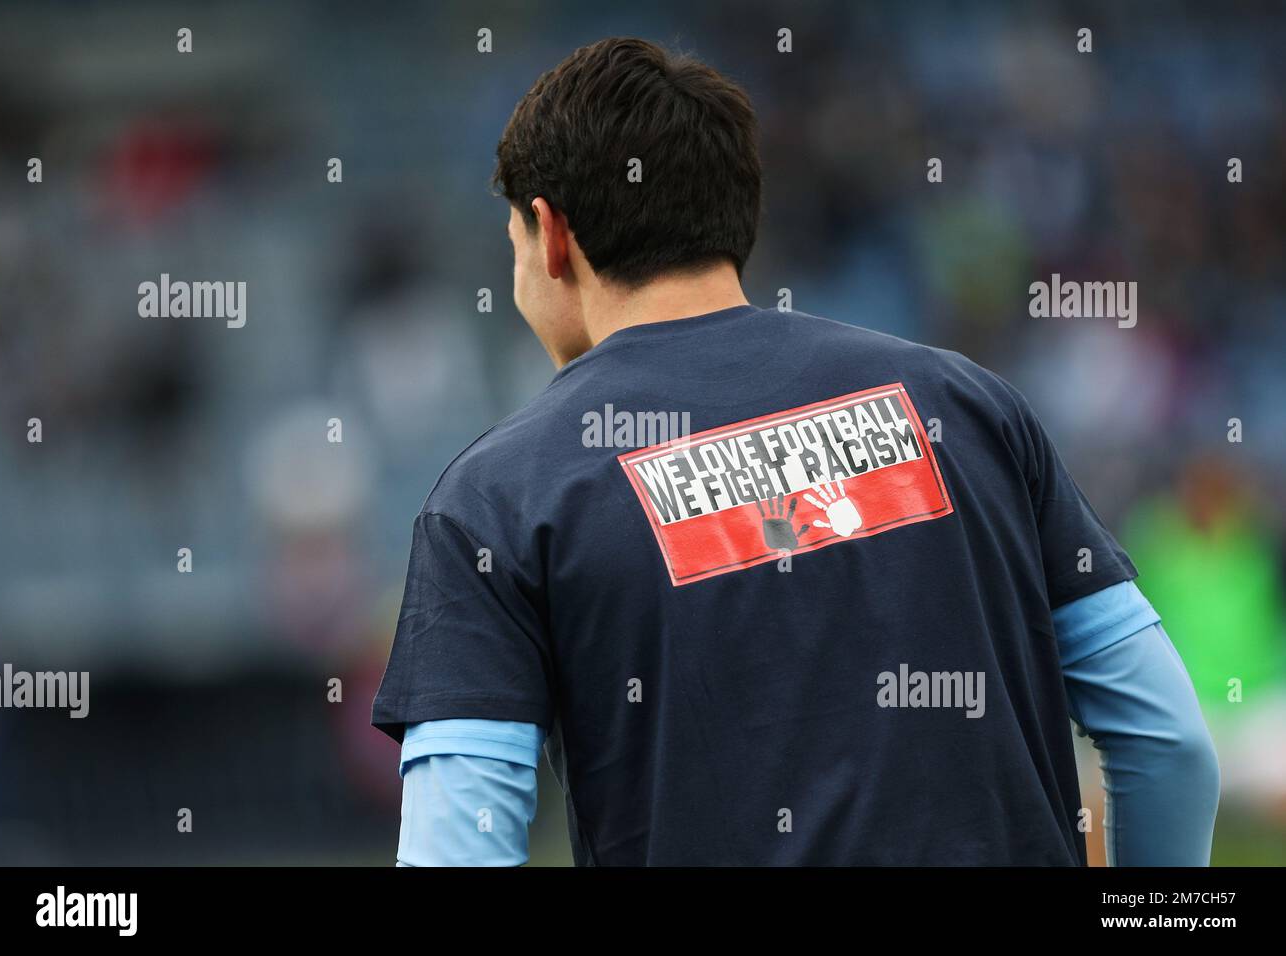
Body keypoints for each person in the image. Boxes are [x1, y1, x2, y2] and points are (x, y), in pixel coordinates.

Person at [370, 37, 1220, 866]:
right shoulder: (965, 404)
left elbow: (458, 845)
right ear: (735, 212)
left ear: (550, 236)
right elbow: (1169, 738)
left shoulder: (497, 499)